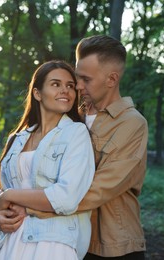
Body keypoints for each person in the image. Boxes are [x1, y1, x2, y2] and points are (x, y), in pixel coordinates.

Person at [0, 60, 95, 260]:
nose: (65, 90)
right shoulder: (17, 138)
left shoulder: (76, 133)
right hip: (12, 241)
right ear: (37, 93)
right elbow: (7, 194)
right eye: (56, 84)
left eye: (70, 86)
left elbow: (66, 198)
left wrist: (9, 196)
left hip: (53, 243)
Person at [75, 35, 148, 259]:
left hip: (114, 246)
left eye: (86, 79)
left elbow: (99, 188)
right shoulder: (72, 116)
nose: (78, 86)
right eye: (77, 77)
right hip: (72, 239)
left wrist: (32, 207)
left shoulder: (133, 123)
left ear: (112, 79)